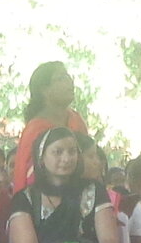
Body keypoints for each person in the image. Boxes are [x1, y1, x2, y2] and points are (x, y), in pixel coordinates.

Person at [7, 123, 119, 243]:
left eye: (72, 151)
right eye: (58, 152)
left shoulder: (94, 190)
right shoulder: (25, 198)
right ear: (41, 158)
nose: (66, 158)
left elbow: (109, 241)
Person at [13, 60, 87, 192]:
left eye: (68, 76)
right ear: (44, 90)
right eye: (61, 78)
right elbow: (26, 178)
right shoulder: (35, 130)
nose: (69, 81)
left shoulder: (76, 120)